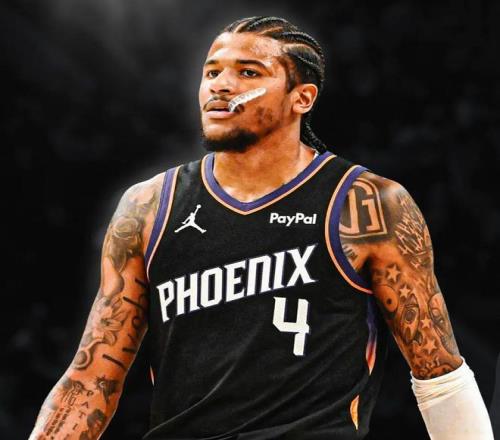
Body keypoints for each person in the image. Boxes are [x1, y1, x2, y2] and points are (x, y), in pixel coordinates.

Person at [29, 15, 494, 440]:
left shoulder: (365, 203)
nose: (221, 85)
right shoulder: (148, 206)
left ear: (302, 98)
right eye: (212, 72)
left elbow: (439, 374)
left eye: (248, 72)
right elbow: (91, 378)